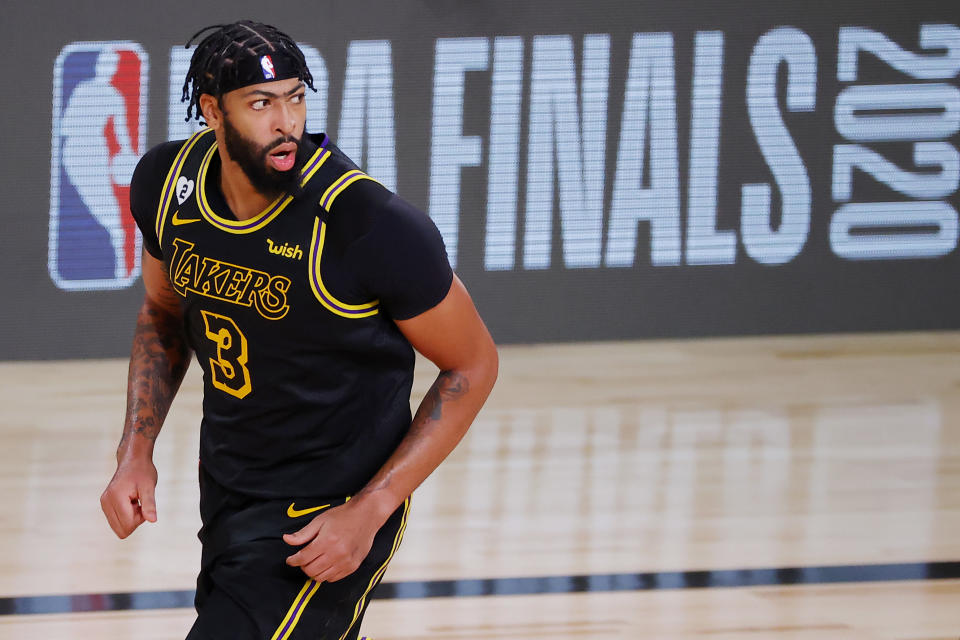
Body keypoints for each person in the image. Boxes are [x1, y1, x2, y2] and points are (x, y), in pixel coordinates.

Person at [99, 20, 498, 640]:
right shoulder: (165, 184)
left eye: (295, 97)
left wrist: (371, 509)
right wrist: (136, 448)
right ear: (211, 110)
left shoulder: (366, 223)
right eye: (261, 104)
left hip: (325, 511)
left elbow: (474, 365)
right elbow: (161, 312)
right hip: (230, 485)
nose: (286, 121)